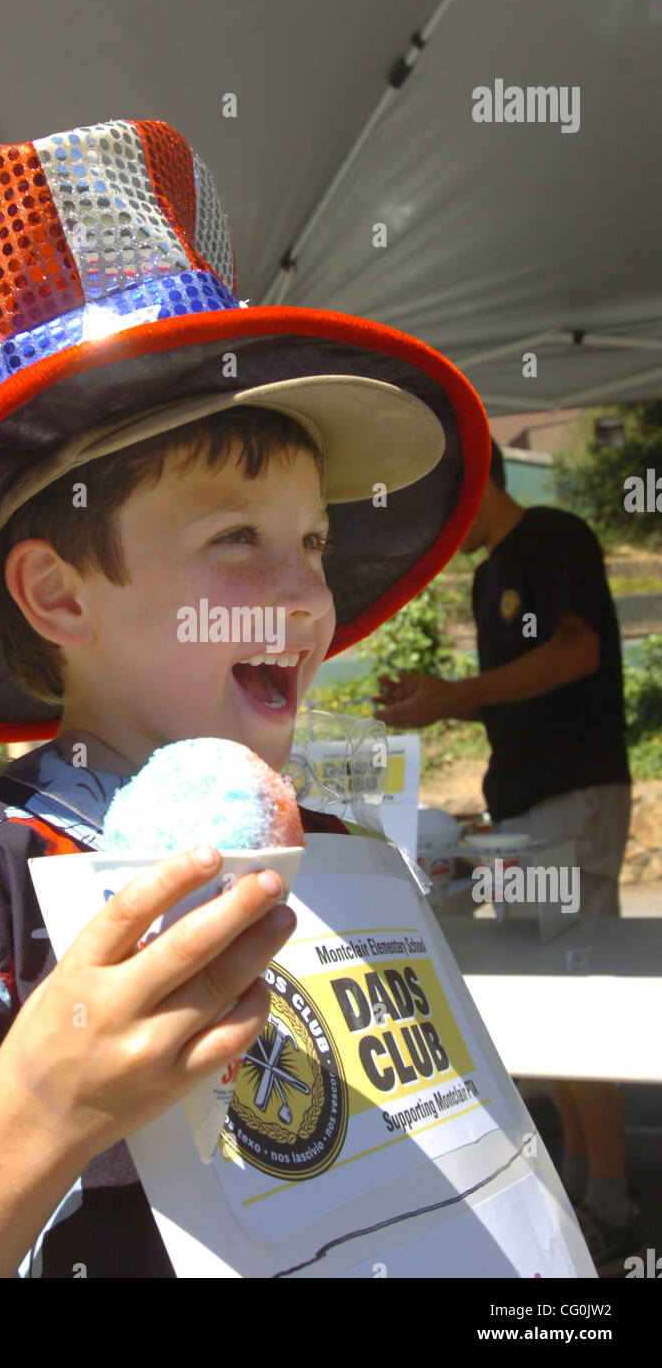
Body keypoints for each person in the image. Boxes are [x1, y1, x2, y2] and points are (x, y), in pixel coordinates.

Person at [0, 119, 489, 1277]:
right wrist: (47, 1105)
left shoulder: (345, 853)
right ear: (58, 595)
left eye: (314, 541)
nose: (309, 594)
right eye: (238, 538)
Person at [376, 439, 642, 1271]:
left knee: (574, 995)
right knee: (545, 993)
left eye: (436, 506)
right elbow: (518, 687)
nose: (433, 530)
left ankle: (612, 1202)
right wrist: (442, 701)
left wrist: (456, 696)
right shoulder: (493, 575)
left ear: (471, 484)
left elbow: (576, 652)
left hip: (571, 795)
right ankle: (577, 1190)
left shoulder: (554, 536)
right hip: (520, 805)